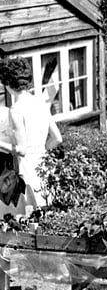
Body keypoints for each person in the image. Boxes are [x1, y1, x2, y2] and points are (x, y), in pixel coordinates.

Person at [0, 57, 62, 216]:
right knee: (49, 209)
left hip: (27, 169)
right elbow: (57, 138)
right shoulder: (41, 103)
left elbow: (21, 150)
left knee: (31, 217)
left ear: (8, 84)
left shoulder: (16, 110)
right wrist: (41, 150)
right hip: (44, 164)